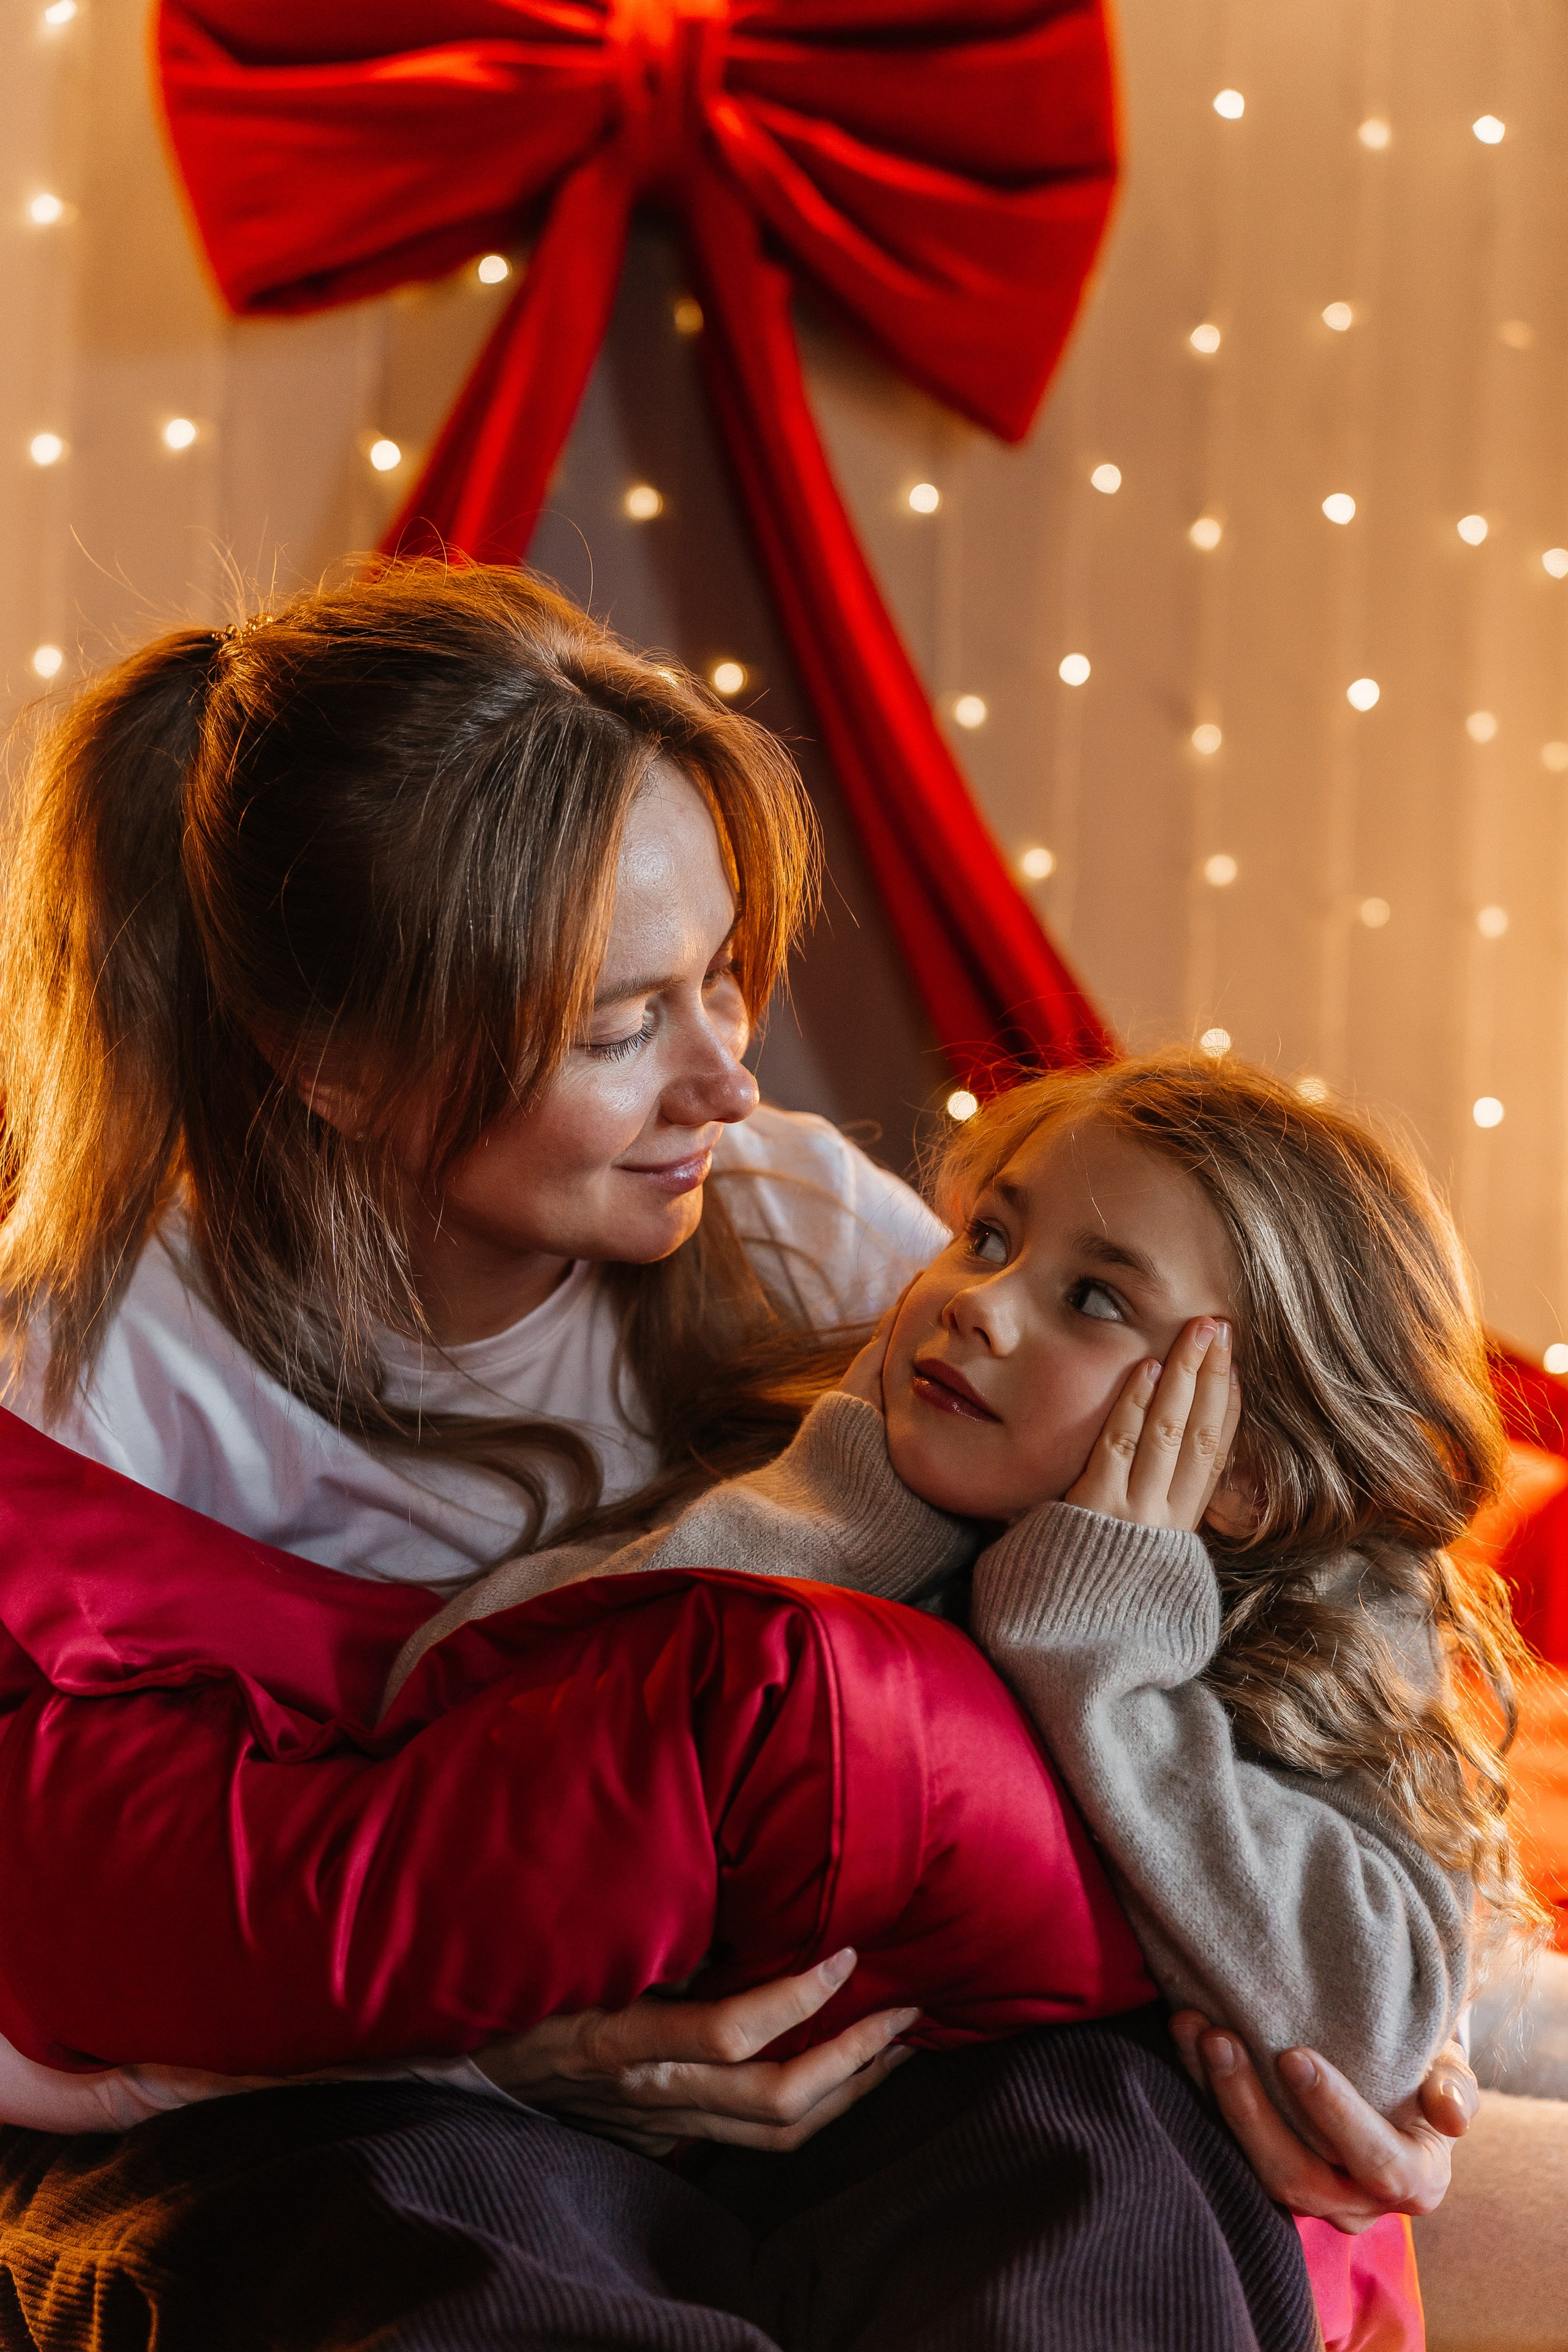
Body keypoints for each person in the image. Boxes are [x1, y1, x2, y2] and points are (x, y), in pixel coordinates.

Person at [0, 563, 1476, 2350]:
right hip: (377, 2089)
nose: (729, 1077)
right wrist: (504, 2055)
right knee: (416, 2218)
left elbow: (1315, 1572)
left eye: (724, 978)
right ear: (335, 1062)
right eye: (625, 1027)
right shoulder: (87, 1375)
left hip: (859, 2061)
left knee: (1110, 2155)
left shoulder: (784, 1221)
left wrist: (1421, 2032)